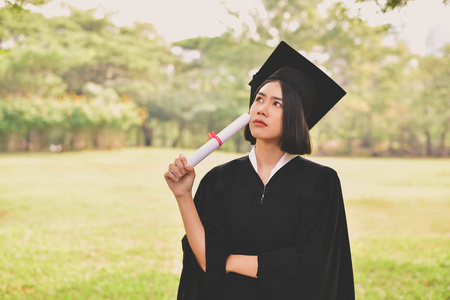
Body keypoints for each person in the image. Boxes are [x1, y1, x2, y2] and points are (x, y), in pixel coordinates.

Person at [164, 41, 355, 300]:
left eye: (277, 104)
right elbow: (205, 260)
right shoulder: (219, 180)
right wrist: (183, 195)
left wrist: (227, 261)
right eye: (259, 99)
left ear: (296, 117)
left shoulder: (320, 183)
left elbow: (313, 264)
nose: (262, 108)